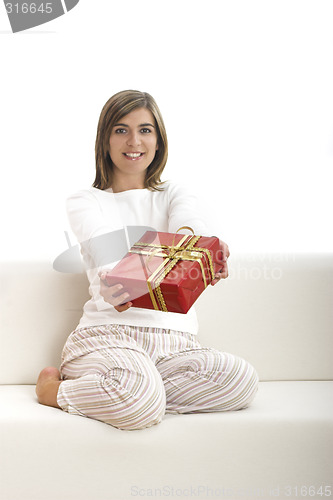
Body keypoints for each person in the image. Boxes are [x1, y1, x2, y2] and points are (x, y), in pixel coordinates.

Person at [36, 90, 258, 431]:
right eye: (121, 130)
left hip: (175, 344)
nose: (134, 141)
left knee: (241, 379)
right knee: (139, 401)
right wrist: (117, 280)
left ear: (158, 140)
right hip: (107, 335)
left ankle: (133, 392)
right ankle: (56, 391)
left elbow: (188, 224)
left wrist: (202, 251)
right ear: (105, 140)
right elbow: (103, 250)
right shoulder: (85, 200)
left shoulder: (175, 193)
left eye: (145, 129)